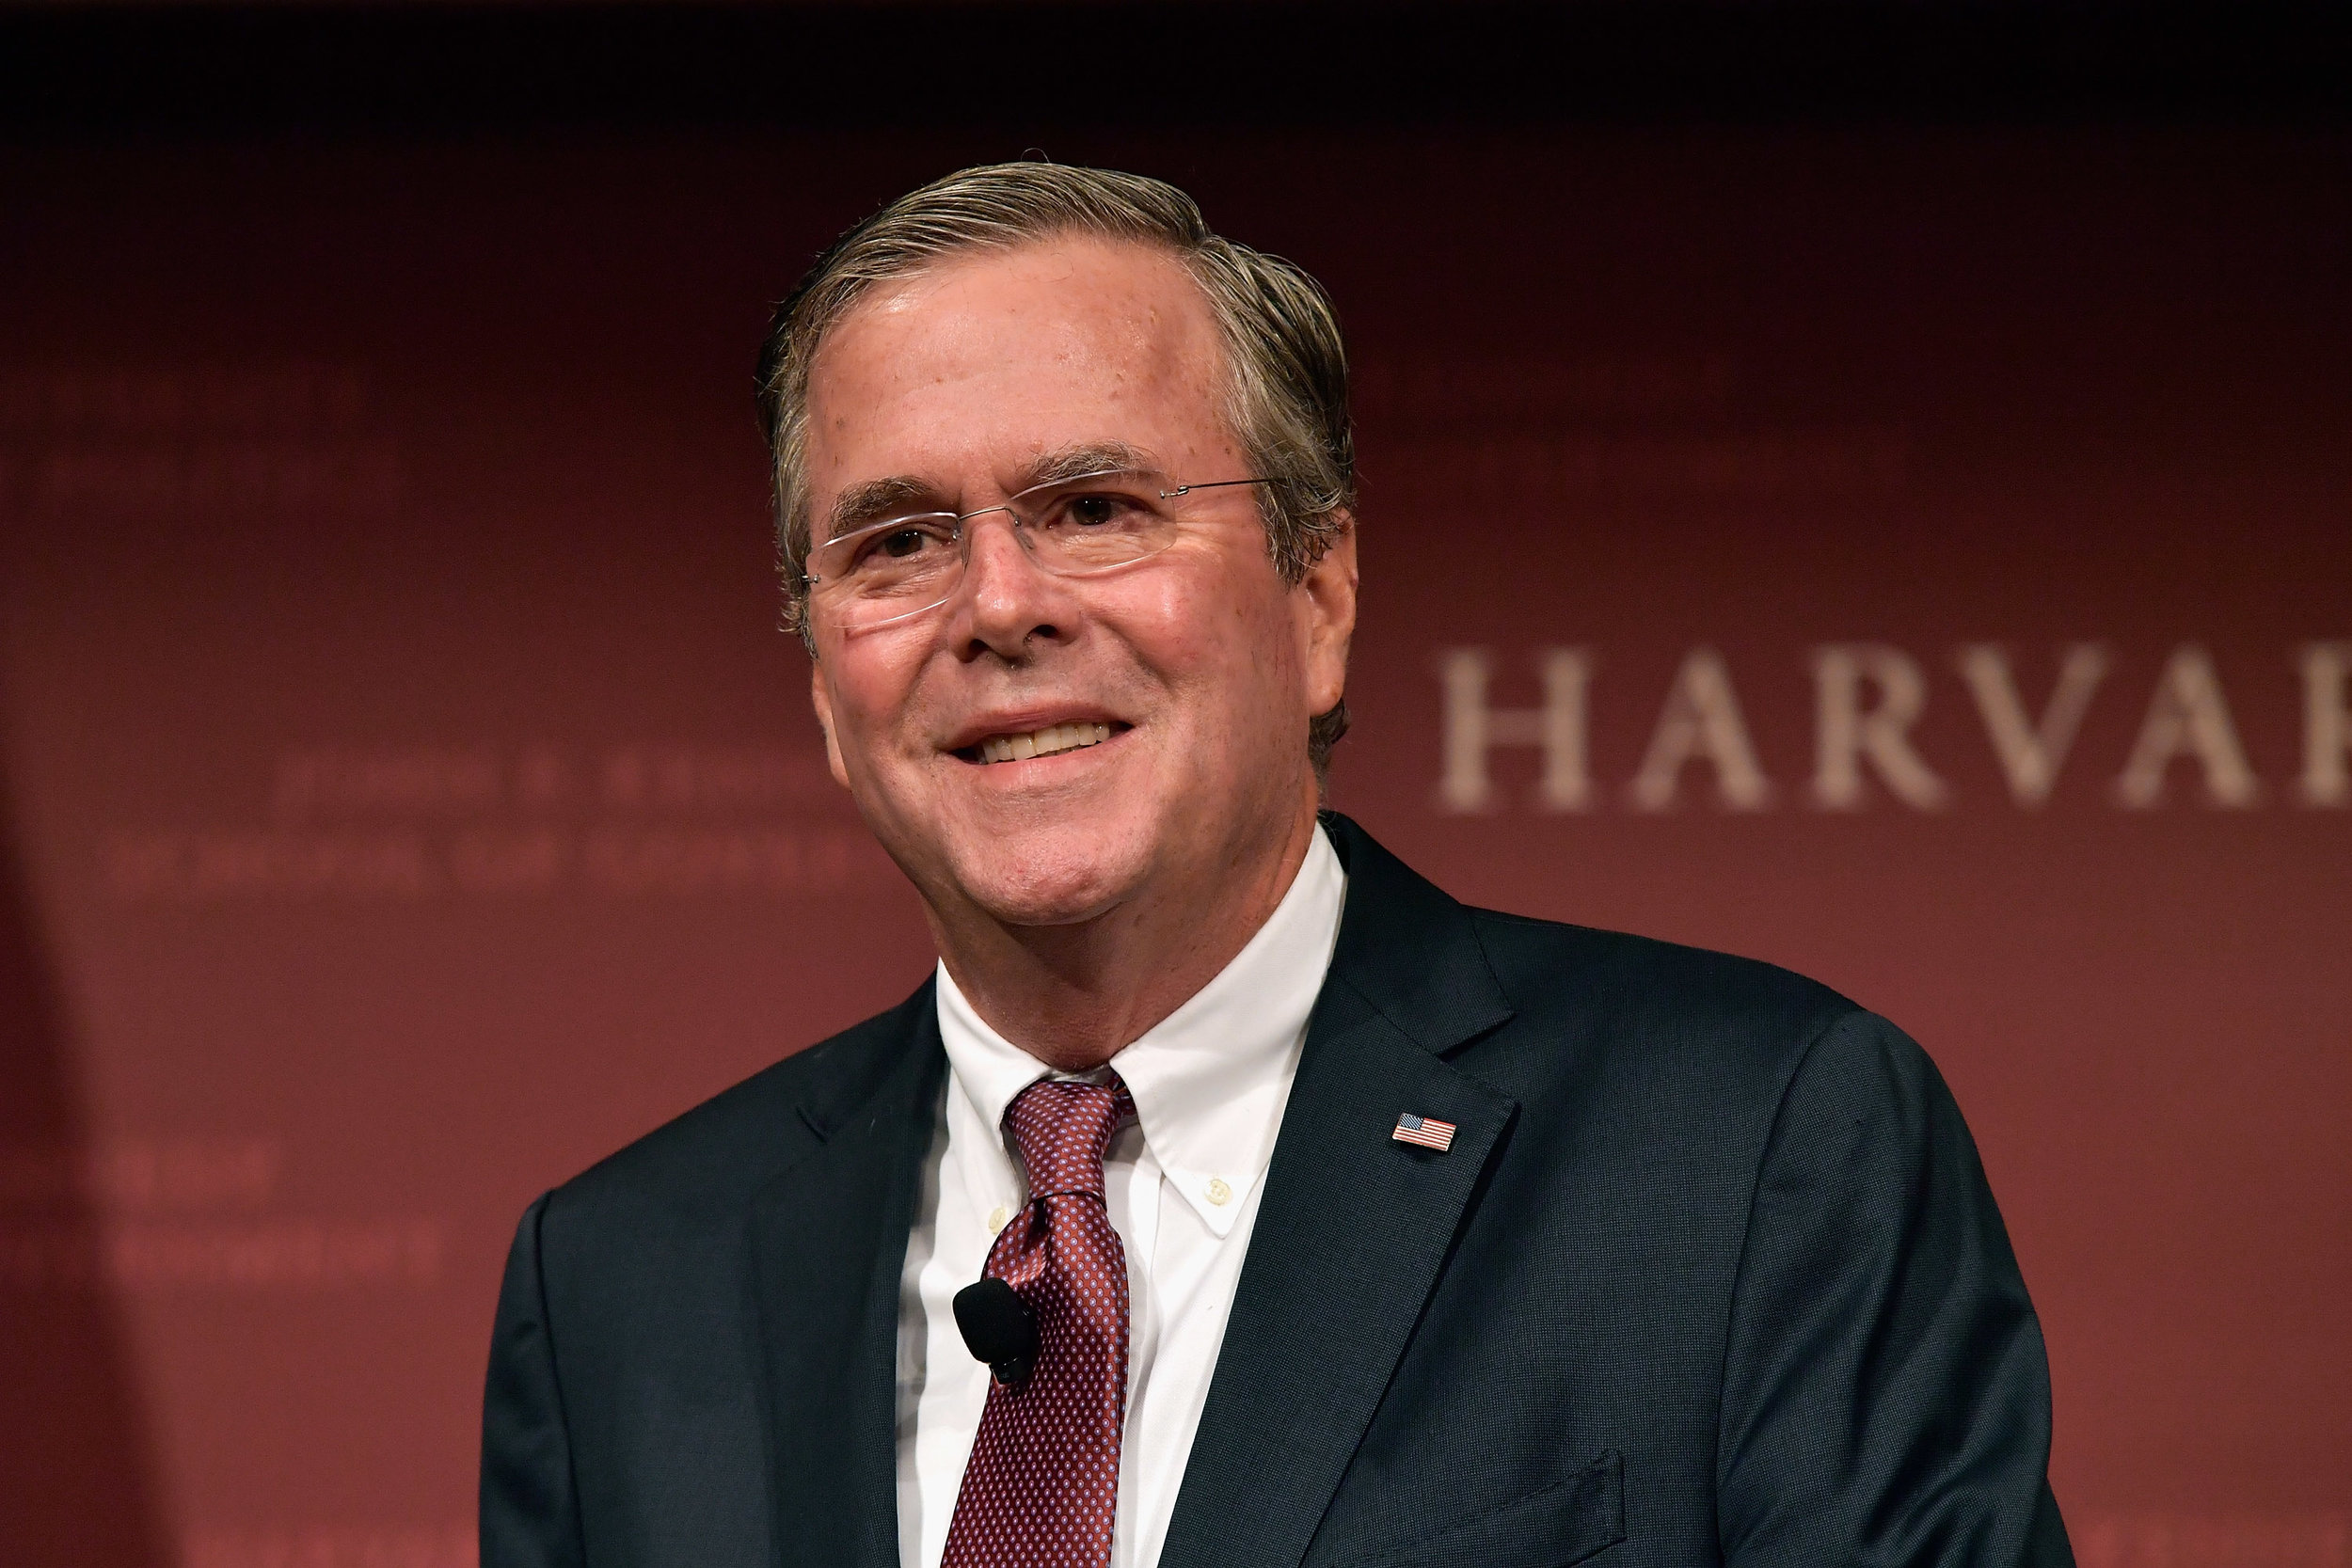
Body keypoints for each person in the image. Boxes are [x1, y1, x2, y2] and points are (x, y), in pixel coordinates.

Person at [480, 162, 2074, 1568]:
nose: (998, 605)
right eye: (896, 541)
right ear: (824, 679)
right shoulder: (622, 1278)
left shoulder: (1751, 1153)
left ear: (1318, 594)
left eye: (1094, 507)